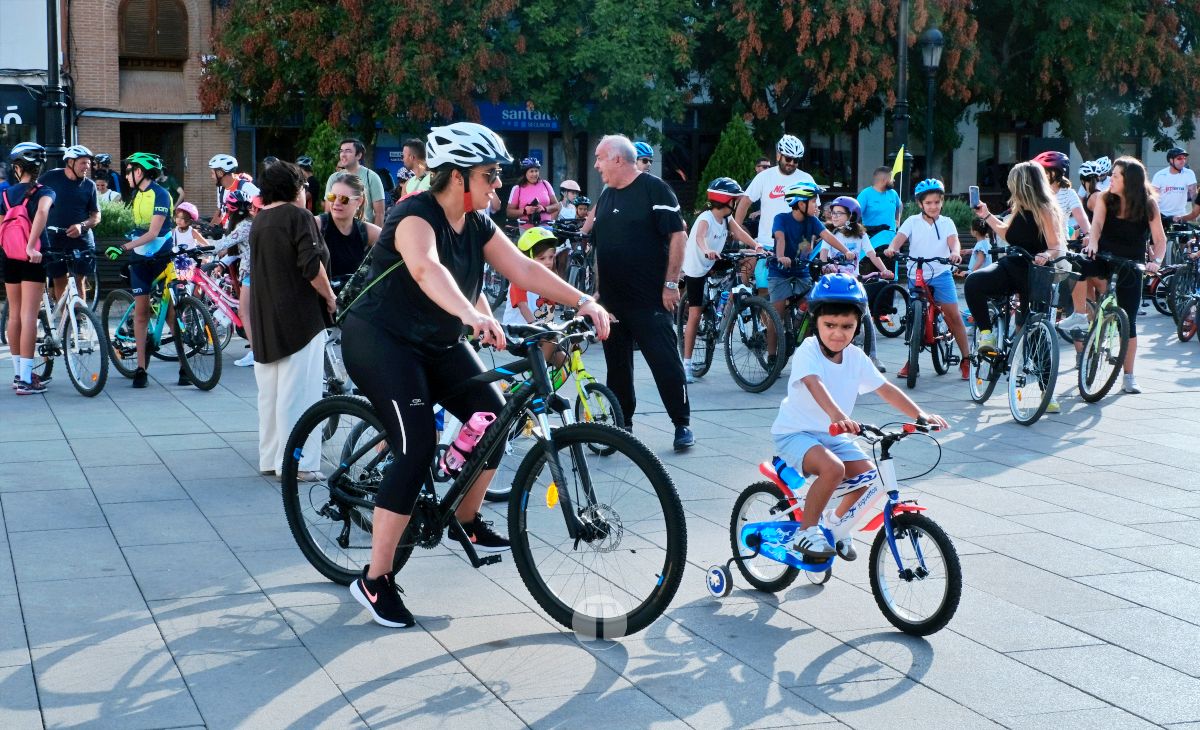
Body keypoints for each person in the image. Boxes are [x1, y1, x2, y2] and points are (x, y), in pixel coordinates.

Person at [340, 122, 609, 628]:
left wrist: (585, 300)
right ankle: (375, 580)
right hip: (381, 339)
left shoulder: (479, 224)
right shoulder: (413, 216)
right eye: (489, 176)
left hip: (435, 338)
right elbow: (425, 269)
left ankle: (465, 517)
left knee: (494, 416)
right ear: (458, 178)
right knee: (416, 448)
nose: (498, 186)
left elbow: (524, 270)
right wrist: (471, 315)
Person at [771, 273, 948, 559]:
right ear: (816, 322)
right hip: (796, 433)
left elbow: (886, 389)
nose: (837, 333)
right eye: (829, 325)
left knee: (869, 475)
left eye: (846, 326)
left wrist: (920, 415)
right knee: (833, 469)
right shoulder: (808, 351)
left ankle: (835, 523)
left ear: (858, 325)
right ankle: (805, 532)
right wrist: (838, 415)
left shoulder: (855, 357)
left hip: (834, 434)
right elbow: (814, 384)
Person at [590, 134, 695, 450]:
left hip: (649, 298)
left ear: (618, 159)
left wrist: (671, 284)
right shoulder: (607, 197)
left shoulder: (655, 189)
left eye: (600, 158)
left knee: (664, 362)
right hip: (612, 302)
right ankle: (624, 425)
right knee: (617, 369)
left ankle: (681, 424)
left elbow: (678, 236)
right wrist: (596, 292)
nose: (596, 165)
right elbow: (600, 248)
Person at [249, 161, 336, 480]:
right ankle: (299, 463)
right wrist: (330, 297)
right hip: (300, 317)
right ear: (294, 188)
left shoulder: (260, 220)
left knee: (270, 395)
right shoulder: (298, 216)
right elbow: (311, 266)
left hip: (265, 317)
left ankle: (271, 458)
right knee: (300, 394)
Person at [967, 162, 1067, 412]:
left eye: (1012, 181)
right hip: (1012, 266)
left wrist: (1045, 254)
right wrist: (987, 215)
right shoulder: (1019, 207)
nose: (1009, 185)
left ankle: (1047, 392)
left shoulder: (1045, 209)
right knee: (974, 283)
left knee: (1035, 330)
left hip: (1036, 273)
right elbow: (1007, 234)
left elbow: (1057, 247)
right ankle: (987, 334)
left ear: (1023, 183)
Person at [1079, 156, 1167, 394]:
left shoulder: (1148, 205)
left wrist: (1156, 262)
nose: (1110, 179)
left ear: (1129, 181)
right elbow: (1095, 226)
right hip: (1104, 258)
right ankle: (1079, 315)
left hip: (1132, 265)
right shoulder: (1105, 198)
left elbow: (1160, 240)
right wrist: (1093, 244)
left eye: (1115, 175)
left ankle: (1128, 376)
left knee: (1129, 322)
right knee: (1076, 268)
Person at [883, 178, 971, 380]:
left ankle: (966, 359)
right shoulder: (912, 221)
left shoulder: (947, 222)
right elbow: (899, 239)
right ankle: (911, 360)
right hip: (917, 274)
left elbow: (954, 242)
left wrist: (955, 253)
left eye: (937, 202)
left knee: (953, 315)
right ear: (921, 204)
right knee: (915, 317)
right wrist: (891, 249)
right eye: (928, 203)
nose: (933, 206)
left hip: (941, 273)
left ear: (941, 202)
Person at [104, 152, 177, 389]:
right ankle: (141, 368)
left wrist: (123, 247)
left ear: (140, 172)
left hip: (161, 257)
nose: (125, 176)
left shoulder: (161, 194)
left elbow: (154, 232)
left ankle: (185, 365)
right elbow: (137, 228)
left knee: (170, 313)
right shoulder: (137, 195)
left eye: (129, 171)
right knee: (142, 312)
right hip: (140, 259)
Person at [680, 177, 761, 382]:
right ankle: (687, 365)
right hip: (697, 267)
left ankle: (726, 303)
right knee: (695, 314)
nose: (736, 203)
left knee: (747, 258)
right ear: (726, 201)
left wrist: (756, 245)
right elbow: (699, 237)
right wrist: (707, 250)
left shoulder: (727, 218)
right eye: (734, 199)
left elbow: (739, 233)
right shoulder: (707, 218)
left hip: (713, 260)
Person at [2, 143, 54, 395]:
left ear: (17, 167)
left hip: (9, 256)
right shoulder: (45, 191)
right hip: (32, 258)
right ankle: (25, 379)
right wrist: (32, 246)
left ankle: (17, 374)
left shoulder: (5, 194)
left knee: (14, 314)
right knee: (29, 315)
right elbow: (42, 213)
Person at [735, 135, 817, 295]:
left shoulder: (806, 179)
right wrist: (737, 229)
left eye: (796, 160)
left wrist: (811, 240)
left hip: (797, 246)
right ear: (779, 155)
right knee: (765, 292)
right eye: (788, 158)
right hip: (767, 244)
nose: (792, 163)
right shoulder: (764, 176)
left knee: (796, 296)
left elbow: (814, 212)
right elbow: (745, 202)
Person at [821, 195, 893, 372]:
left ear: (851, 216)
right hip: (834, 282)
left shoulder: (861, 235)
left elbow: (872, 255)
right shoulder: (830, 234)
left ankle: (873, 357)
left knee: (866, 315)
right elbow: (823, 255)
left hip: (853, 283)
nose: (834, 216)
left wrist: (884, 270)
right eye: (833, 213)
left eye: (839, 213)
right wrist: (826, 266)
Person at [38, 144, 101, 302]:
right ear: (70, 162)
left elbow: (96, 216)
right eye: (83, 163)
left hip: (81, 240)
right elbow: (33, 196)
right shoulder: (50, 177)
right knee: (60, 280)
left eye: (88, 163)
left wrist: (82, 226)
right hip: (54, 239)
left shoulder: (89, 185)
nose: (87, 166)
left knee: (79, 281)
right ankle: (67, 318)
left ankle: (78, 320)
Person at [213, 189, 257, 367]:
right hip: (256, 273)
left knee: (244, 312)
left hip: (251, 275)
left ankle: (255, 353)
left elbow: (223, 244)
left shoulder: (243, 227)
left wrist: (202, 246)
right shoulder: (251, 223)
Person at [318, 172, 381, 278]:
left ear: (359, 201)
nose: (336, 203)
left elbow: (394, 245)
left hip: (352, 293)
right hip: (320, 293)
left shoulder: (365, 231)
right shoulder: (317, 225)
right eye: (332, 197)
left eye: (344, 199)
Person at [502, 226, 558, 325]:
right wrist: (535, 324)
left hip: (539, 332)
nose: (548, 262)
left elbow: (550, 307)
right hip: (516, 333)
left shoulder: (549, 280)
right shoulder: (519, 280)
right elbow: (522, 305)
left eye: (551, 257)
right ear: (527, 258)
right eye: (542, 258)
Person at [324, 139, 386, 224]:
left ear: (359, 155)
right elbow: (328, 210)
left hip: (364, 232)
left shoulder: (371, 177)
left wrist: (376, 236)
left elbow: (379, 213)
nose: (343, 155)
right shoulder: (334, 178)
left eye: (348, 151)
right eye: (341, 151)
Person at [856, 166, 903, 249]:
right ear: (884, 180)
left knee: (892, 261)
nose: (894, 180)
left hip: (891, 240)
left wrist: (897, 220)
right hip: (872, 240)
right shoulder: (865, 194)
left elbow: (899, 206)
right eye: (892, 178)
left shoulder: (893, 193)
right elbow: (855, 215)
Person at [506, 157, 558, 229]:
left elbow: (557, 205)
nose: (534, 174)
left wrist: (544, 208)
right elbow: (509, 212)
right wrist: (525, 211)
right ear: (525, 173)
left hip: (545, 228)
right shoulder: (517, 188)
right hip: (526, 229)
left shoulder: (545, 184)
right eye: (531, 171)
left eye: (536, 171)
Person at [1151, 147, 1196, 229]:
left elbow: (1193, 194)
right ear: (1171, 160)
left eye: (1184, 158)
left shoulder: (1189, 173)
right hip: (1162, 215)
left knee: (1184, 240)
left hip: (1181, 216)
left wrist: (1194, 214)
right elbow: (1153, 197)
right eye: (1179, 158)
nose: (1183, 161)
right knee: (1158, 241)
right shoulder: (1160, 175)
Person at [208, 154, 258, 224]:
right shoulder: (221, 188)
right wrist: (209, 228)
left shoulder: (246, 186)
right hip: (227, 231)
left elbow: (264, 207)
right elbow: (220, 212)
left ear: (220, 173)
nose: (212, 176)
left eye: (213, 173)